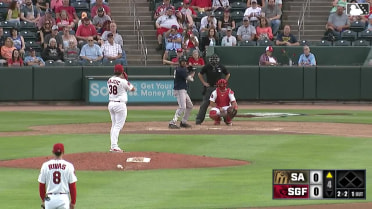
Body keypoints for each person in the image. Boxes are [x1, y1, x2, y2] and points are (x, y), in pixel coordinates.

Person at [38, 143, 77, 209]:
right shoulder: (69, 166)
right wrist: (73, 202)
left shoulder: (45, 165)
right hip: (63, 198)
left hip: (50, 198)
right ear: (63, 152)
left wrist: (44, 199)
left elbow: (41, 185)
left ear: (53, 152)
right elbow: (72, 186)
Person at [107, 64, 136, 152]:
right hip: (120, 105)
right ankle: (114, 146)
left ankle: (113, 146)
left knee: (114, 125)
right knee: (118, 126)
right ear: (122, 72)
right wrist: (125, 79)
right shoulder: (123, 81)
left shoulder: (109, 80)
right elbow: (133, 89)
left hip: (111, 104)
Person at [195, 54, 230, 125]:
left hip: (219, 88)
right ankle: (199, 120)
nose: (214, 61)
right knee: (205, 104)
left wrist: (224, 82)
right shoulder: (207, 66)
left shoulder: (221, 66)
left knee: (222, 104)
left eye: (215, 60)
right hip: (210, 87)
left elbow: (228, 74)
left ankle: (226, 120)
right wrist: (204, 83)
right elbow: (199, 74)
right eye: (212, 60)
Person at [168, 56, 195, 129]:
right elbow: (190, 79)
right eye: (182, 61)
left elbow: (186, 72)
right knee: (182, 107)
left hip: (183, 90)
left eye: (185, 61)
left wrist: (189, 70)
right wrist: (192, 74)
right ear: (180, 62)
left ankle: (183, 122)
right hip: (179, 90)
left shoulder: (181, 69)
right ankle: (172, 122)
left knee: (190, 106)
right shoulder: (180, 70)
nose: (184, 62)